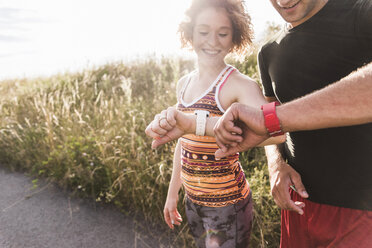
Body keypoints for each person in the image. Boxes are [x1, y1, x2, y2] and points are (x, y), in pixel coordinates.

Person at [213, 0, 372, 247]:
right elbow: (268, 116)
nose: (283, 1)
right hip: (298, 208)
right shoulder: (268, 52)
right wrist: (277, 165)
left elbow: (270, 119)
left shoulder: (362, 13)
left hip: (361, 213)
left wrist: (272, 120)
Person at [146, 0, 284, 247]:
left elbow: (279, 131)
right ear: (190, 34)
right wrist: (172, 194)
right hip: (193, 201)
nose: (212, 41)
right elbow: (184, 142)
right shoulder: (184, 84)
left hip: (226, 204)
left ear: (234, 38)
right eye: (203, 32)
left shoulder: (239, 85)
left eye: (223, 33)